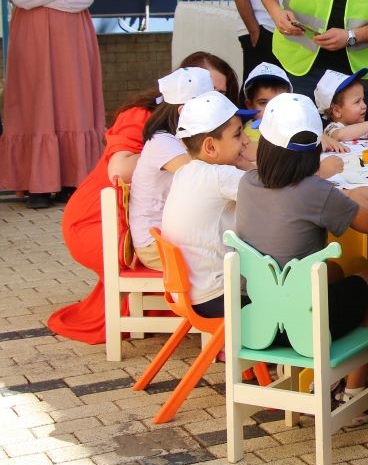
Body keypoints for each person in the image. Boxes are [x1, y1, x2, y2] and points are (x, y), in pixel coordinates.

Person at [48, 52, 238, 344]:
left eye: (221, 94)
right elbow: (120, 169)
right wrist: (187, 158)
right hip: (102, 222)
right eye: (207, 92)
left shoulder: (208, 129)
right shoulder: (149, 121)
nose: (213, 102)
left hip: (145, 224)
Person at [235, 92, 368, 404]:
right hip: (301, 327)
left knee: (332, 271)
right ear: (315, 149)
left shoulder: (247, 183)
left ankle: (323, 382)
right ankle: (354, 391)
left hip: (253, 317)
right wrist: (358, 197)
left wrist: (343, 197)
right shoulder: (317, 192)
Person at [0, 0, 105, 209]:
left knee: (73, 102)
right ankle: (39, 185)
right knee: (37, 103)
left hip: (73, 41)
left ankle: (74, 180)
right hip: (31, 44)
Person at [161, 91, 256, 319]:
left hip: (189, 293)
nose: (246, 141)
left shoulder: (185, 172)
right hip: (220, 297)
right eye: (237, 135)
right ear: (210, 147)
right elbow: (275, 193)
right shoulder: (220, 176)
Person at [128, 67, 215, 269]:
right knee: (228, 259)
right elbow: (200, 177)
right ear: (183, 111)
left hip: (170, 237)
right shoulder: (162, 142)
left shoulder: (176, 140)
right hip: (156, 246)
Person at [314, 69, 368, 142]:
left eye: (363, 100)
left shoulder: (365, 127)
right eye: (357, 102)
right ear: (337, 111)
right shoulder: (332, 128)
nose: (364, 106)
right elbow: (340, 135)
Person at [240, 61, 293, 161]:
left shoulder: (297, 125)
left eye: (279, 102)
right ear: (249, 105)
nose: (271, 109)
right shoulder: (249, 134)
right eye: (263, 102)